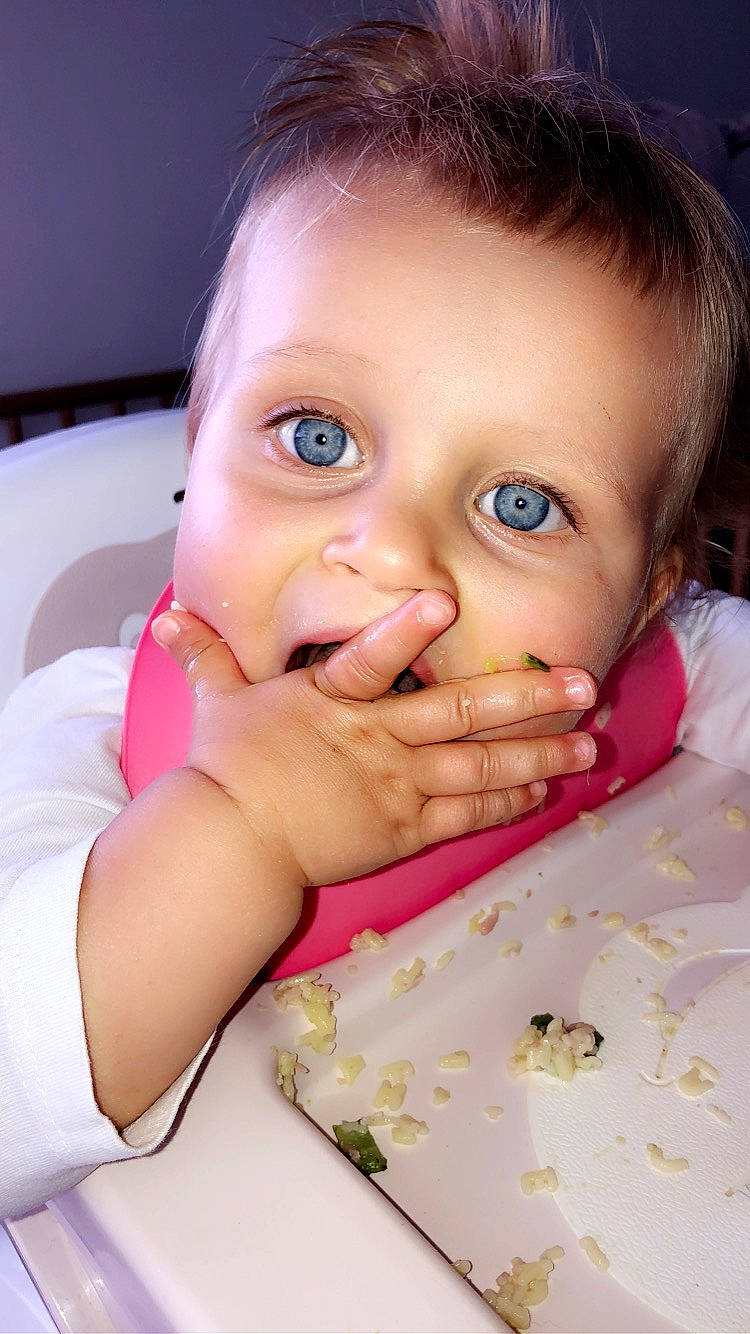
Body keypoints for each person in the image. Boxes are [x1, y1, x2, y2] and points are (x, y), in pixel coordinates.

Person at [1, 0, 748, 1222]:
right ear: (200, 444)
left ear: (642, 594)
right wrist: (238, 825)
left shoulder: (656, 675)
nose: (394, 550)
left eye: (520, 500)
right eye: (317, 436)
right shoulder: (90, 740)